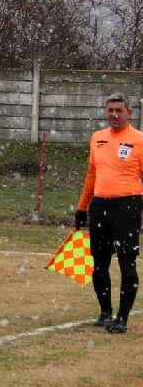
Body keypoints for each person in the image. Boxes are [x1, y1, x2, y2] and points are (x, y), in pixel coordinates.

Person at [74, 92, 143, 334]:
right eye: (110, 110)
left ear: (129, 113)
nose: (114, 115)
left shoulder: (139, 140)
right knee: (99, 263)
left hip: (128, 206)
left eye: (119, 110)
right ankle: (105, 312)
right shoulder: (98, 138)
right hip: (100, 206)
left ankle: (122, 317)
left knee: (127, 262)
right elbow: (91, 175)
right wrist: (82, 207)